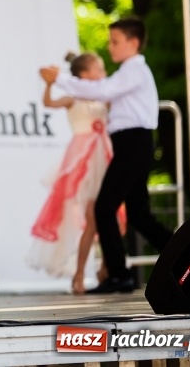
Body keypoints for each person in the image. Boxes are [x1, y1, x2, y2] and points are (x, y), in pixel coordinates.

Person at [39, 17, 173, 294]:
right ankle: (182, 255)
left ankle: (120, 275)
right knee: (138, 213)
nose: (110, 47)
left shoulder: (134, 70)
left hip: (133, 141)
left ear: (133, 43)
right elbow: (101, 91)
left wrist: (61, 79)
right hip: (129, 142)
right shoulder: (127, 73)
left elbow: (103, 90)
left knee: (104, 207)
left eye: (115, 41)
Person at [27, 51, 115, 294]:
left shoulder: (104, 97)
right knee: (93, 218)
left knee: (111, 218)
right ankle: (79, 274)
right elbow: (49, 103)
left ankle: (107, 270)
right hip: (84, 161)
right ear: (85, 74)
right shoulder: (73, 98)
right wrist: (49, 85)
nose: (104, 74)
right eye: (100, 69)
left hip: (105, 157)